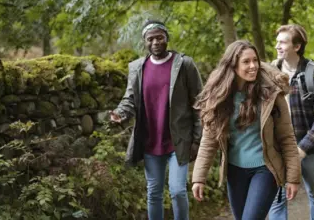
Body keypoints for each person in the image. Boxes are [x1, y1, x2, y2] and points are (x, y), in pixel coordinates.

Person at [191, 40, 301, 220]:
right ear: (233, 65)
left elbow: (287, 137)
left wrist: (293, 177)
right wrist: (198, 178)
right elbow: (209, 141)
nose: (253, 66)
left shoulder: (271, 93)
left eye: (255, 60)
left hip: (266, 169)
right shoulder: (220, 96)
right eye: (246, 62)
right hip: (235, 171)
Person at [110, 20, 203, 220]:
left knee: (178, 191)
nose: (155, 42)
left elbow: (199, 102)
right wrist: (120, 113)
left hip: (178, 140)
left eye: (159, 37)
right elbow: (130, 99)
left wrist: (197, 138)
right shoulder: (137, 68)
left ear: (166, 38)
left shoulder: (184, 64)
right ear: (144, 42)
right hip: (150, 141)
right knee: (154, 193)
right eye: (150, 39)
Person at [269, 24, 314, 220]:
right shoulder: (269, 74)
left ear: (297, 47)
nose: (277, 46)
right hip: (279, 147)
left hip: (311, 149)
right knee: (277, 198)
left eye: (282, 42)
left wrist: (303, 149)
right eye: (277, 42)